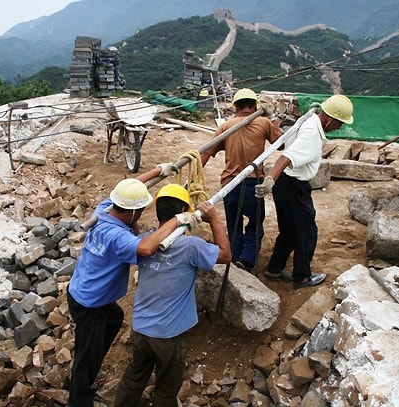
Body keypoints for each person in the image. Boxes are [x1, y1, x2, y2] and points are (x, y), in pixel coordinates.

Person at [67, 164, 202, 407]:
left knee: (115, 318)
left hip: (82, 290)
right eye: (139, 211)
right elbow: (147, 248)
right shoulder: (120, 238)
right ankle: (79, 400)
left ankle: (91, 365)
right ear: (131, 213)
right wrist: (176, 221)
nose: (140, 215)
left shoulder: (105, 209)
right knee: (85, 357)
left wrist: (159, 170)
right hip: (91, 304)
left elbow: (129, 188)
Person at [114, 184, 231, 407]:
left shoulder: (146, 242)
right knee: (167, 386)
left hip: (140, 328)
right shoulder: (190, 247)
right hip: (168, 334)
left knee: (134, 376)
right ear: (184, 213)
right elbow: (225, 255)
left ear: (158, 211)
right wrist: (214, 219)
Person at [255, 94, 354, 289]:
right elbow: (286, 157)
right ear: (331, 118)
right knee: (307, 232)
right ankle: (302, 277)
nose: (340, 127)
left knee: (289, 230)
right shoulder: (311, 133)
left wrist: (273, 118)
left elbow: (284, 139)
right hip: (293, 185)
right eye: (339, 123)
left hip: (285, 184)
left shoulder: (307, 120)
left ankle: (274, 269)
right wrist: (269, 180)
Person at [201, 88, 282, 272]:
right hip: (253, 183)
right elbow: (281, 142)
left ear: (235, 106)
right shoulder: (263, 122)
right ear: (254, 106)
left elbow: (207, 152)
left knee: (234, 226)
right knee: (255, 225)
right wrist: (272, 117)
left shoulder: (226, 126)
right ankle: (246, 261)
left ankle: (235, 260)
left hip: (229, 186)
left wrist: (193, 178)